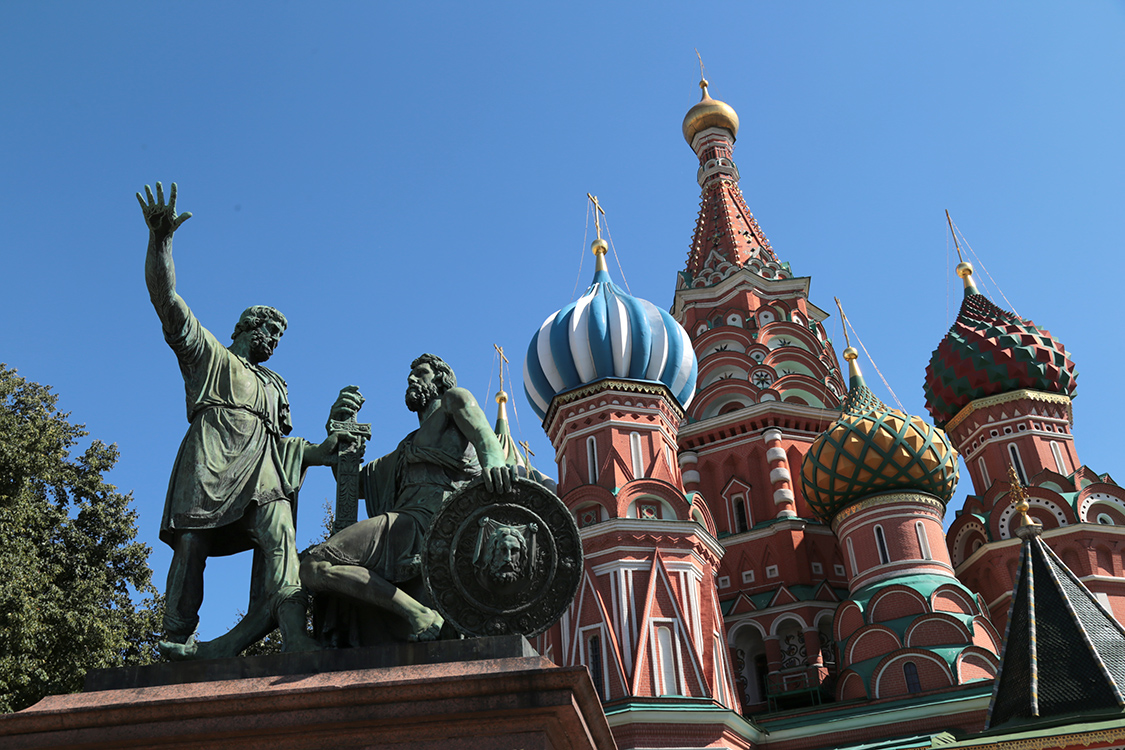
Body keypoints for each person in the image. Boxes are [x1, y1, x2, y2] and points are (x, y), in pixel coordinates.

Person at [138, 182, 340, 657]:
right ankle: (176, 636)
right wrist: (160, 242)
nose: (275, 340)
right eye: (270, 330)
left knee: (279, 539)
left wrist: (322, 452)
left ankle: (293, 633)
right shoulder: (210, 358)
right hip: (208, 463)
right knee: (191, 548)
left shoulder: (275, 386)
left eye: (280, 335)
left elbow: (283, 449)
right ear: (247, 327)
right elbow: (166, 302)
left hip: (261, 472)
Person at [300, 354, 515, 642]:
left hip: (428, 521)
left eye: (421, 373)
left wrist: (493, 462)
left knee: (315, 565)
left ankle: (419, 616)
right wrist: (339, 434)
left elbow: (483, 434)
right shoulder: (406, 448)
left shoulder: (453, 401)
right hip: (403, 523)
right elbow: (355, 484)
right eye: (410, 376)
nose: (412, 379)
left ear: (440, 380)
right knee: (314, 568)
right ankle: (417, 613)